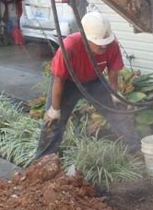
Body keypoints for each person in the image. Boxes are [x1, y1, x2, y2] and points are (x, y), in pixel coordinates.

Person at [34, 11, 140, 160]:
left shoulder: (111, 45)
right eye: (100, 45)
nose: (104, 48)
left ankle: (135, 150)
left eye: (106, 44)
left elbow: (113, 70)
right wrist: (55, 109)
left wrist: (113, 93)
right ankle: (43, 160)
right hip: (68, 83)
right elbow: (58, 79)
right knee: (53, 121)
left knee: (117, 111)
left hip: (94, 80)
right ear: (85, 38)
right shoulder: (69, 46)